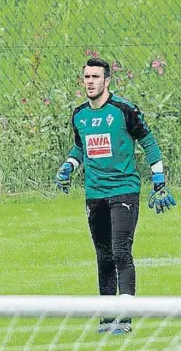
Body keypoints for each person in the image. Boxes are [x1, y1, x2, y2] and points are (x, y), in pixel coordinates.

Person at [55, 57, 176, 334]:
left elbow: (149, 141)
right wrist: (68, 166)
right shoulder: (79, 115)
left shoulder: (124, 110)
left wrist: (159, 180)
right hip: (94, 194)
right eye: (86, 77)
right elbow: (80, 149)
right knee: (104, 256)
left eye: (95, 77)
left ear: (107, 81)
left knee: (121, 252)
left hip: (124, 191)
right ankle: (107, 319)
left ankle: (126, 319)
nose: (90, 81)